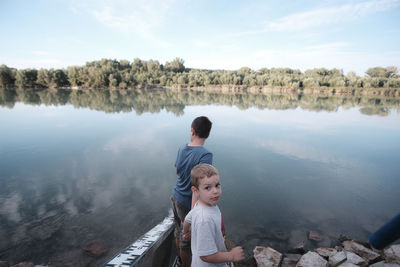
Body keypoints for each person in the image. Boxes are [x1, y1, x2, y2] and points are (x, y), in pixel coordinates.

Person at [182, 164, 244, 267]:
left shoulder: (199, 204)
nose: (215, 191)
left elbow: (187, 219)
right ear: (196, 191)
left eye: (217, 185)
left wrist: (185, 231)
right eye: (208, 188)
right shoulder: (204, 219)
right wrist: (231, 256)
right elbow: (206, 256)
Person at [171, 116, 213, 267]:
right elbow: (200, 186)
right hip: (188, 202)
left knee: (178, 231)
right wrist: (194, 212)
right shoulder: (205, 155)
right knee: (186, 240)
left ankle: (181, 261)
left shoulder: (182, 148)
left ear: (192, 131)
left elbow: (177, 171)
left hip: (175, 196)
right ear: (207, 135)